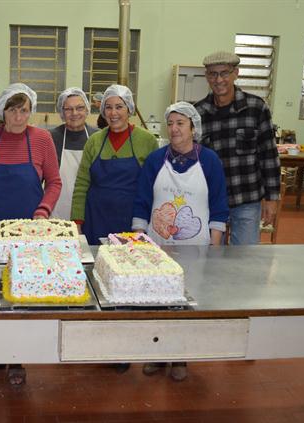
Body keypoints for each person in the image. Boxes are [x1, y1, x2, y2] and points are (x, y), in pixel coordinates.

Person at [131, 102, 229, 381]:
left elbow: (219, 205)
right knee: (158, 302)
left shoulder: (209, 161)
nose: (174, 129)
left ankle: (181, 357)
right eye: (170, 123)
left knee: (187, 303)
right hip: (158, 245)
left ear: (193, 128)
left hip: (196, 248)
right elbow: (142, 201)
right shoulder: (156, 160)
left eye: (180, 124)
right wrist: (139, 240)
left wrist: (215, 246)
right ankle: (157, 355)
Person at [0, 82, 61, 386]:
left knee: (21, 294)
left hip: (28, 231)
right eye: (13, 110)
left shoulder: (42, 139)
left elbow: (54, 182)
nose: (19, 117)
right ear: (2, 111)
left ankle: (16, 359)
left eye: (25, 110)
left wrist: (42, 211)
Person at [195, 51, 280, 245]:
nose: (218, 80)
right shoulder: (198, 113)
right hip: (210, 202)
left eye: (224, 73)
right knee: (209, 259)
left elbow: (269, 155)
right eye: (213, 74)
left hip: (247, 199)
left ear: (236, 73)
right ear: (207, 76)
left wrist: (272, 198)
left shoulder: (256, 108)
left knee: (245, 258)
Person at [71, 84, 158, 245]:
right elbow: (82, 184)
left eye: (119, 107)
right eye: (108, 107)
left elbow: (152, 187)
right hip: (95, 217)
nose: (113, 113)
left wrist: (145, 223)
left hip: (132, 221)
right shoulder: (94, 141)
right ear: (103, 111)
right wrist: (77, 222)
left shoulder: (147, 141)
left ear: (129, 109)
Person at [49, 88, 98, 220]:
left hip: (89, 208)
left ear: (87, 110)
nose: (74, 113)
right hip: (57, 209)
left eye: (79, 108)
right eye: (68, 109)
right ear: (62, 112)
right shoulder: (51, 138)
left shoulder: (97, 137)